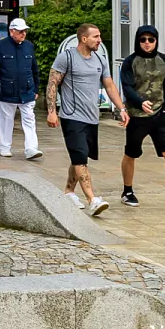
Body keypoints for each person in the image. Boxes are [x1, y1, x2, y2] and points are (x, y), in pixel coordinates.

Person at [47, 23, 129, 216]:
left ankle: (69, 192)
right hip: (71, 116)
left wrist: (122, 108)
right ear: (84, 39)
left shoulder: (100, 59)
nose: (100, 40)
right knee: (80, 157)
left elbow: (109, 86)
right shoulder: (66, 57)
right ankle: (92, 199)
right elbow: (52, 84)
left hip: (92, 117)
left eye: (99, 36)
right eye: (96, 37)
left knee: (80, 158)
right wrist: (52, 111)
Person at [118, 24, 165, 211]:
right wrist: (139, 103)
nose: (147, 43)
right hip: (137, 116)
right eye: (143, 39)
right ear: (138, 41)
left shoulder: (164, 60)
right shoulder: (130, 62)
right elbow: (127, 87)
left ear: (156, 41)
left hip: (160, 115)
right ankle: (127, 191)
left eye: (151, 39)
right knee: (131, 153)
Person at [0, 18, 43, 160]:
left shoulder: (29, 46)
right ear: (11, 31)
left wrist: (36, 88)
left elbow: (34, 69)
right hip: (7, 90)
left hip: (27, 89)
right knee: (6, 119)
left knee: (29, 118)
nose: (23, 34)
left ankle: (31, 148)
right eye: (20, 31)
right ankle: (4, 147)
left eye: (25, 31)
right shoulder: (1, 46)